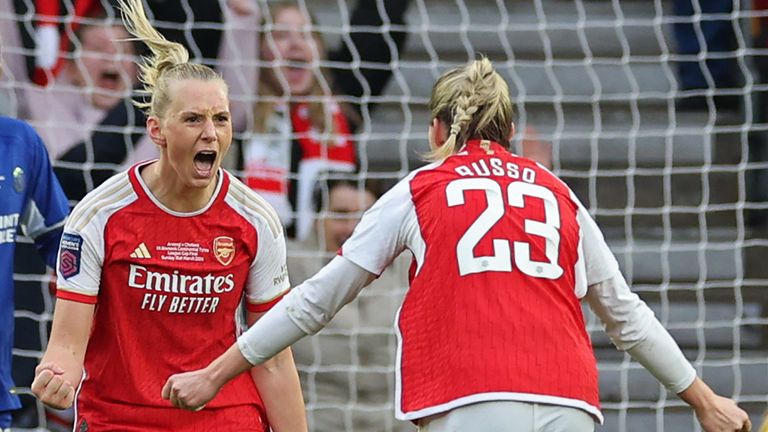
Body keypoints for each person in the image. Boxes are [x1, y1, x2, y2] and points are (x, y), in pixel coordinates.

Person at [161, 57, 753, 432]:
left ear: (438, 131)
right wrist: (702, 399)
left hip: (472, 397)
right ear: (512, 133)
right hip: (570, 399)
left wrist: (216, 372)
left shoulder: (421, 188)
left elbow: (317, 300)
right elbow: (626, 315)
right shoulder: (559, 194)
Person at [29, 0, 306, 430]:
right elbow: (66, 344)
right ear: (157, 131)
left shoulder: (254, 219)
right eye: (193, 119)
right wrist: (57, 375)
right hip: (121, 418)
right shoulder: (99, 215)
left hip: (225, 416)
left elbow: (272, 361)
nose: (211, 133)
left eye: (221, 118)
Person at [232, 0, 410, 241]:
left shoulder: (344, 98)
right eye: (281, 35)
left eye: (307, 35)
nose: (295, 43)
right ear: (260, 49)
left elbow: (378, 27)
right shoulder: (239, 107)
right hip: (260, 255)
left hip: (327, 256)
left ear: (320, 49)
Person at [288, 178, 411, 431]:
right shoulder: (290, 263)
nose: (353, 227)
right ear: (316, 219)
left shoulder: (406, 266)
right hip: (317, 416)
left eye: (365, 216)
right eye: (341, 215)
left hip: (392, 419)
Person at [24, 14, 138, 159]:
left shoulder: (159, 128)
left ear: (137, 69)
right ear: (72, 67)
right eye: (98, 48)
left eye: (123, 50)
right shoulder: (44, 115)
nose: (111, 57)